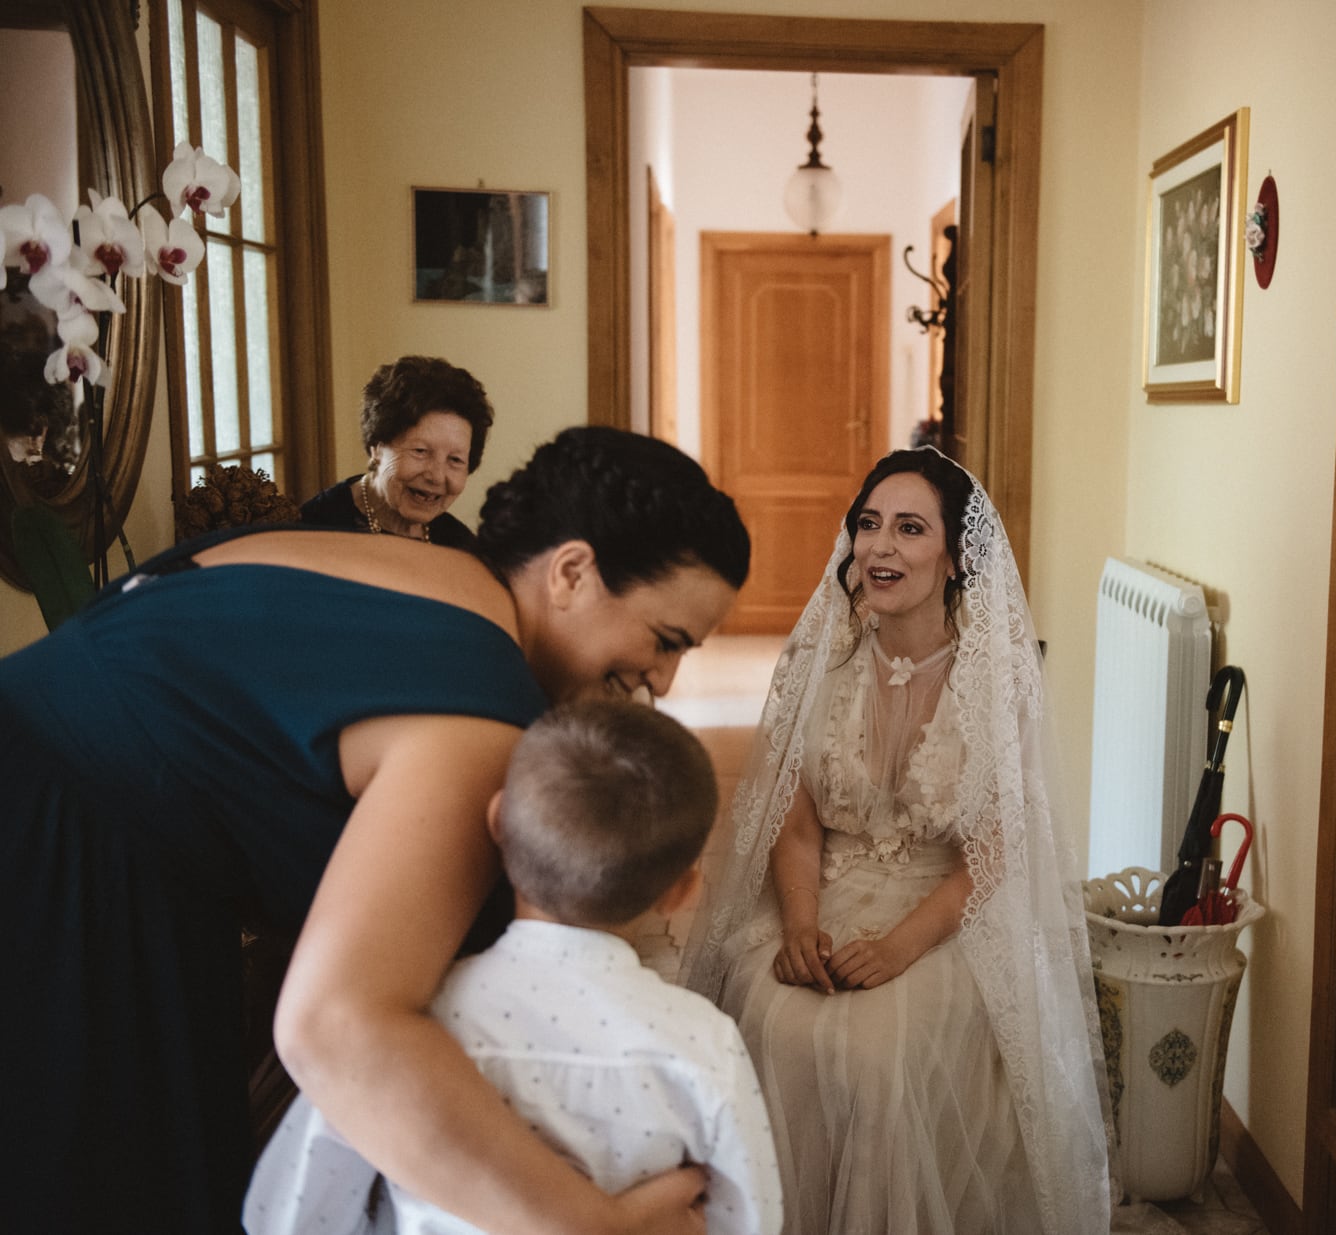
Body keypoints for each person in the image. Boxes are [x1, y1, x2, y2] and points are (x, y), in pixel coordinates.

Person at [0, 426, 748, 1234]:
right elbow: (337, 1027)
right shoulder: (480, 709)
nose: (664, 679)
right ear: (571, 571)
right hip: (64, 872)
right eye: (665, 640)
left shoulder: (435, 576)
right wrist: (593, 1222)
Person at [681, 448, 1112, 1235]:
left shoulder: (997, 678)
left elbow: (992, 853)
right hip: (825, 889)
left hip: (945, 911)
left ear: (954, 557)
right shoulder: (820, 661)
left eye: (911, 528)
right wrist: (801, 923)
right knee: (770, 1014)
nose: (881, 546)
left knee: (879, 1052)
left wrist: (899, 947)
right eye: (870, 524)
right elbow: (794, 821)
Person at [246, 699, 783, 1235]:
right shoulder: (703, 1044)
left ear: (498, 824)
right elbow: (749, 1219)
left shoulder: (404, 1028)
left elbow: (294, 1214)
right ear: (681, 892)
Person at [298, 355, 494, 548]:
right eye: (420, 451)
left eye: (455, 460)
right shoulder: (310, 531)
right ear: (377, 447)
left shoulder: (462, 547)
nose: (436, 477)